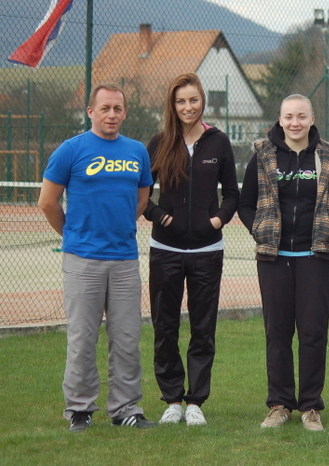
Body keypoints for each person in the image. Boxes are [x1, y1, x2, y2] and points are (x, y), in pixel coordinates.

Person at [37, 83, 156, 432]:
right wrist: (73, 235)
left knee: (127, 340)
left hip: (124, 261)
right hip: (83, 261)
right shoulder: (70, 150)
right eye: (105, 108)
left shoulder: (137, 151)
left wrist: (118, 227)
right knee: (82, 340)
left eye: (118, 109)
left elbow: (142, 199)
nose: (112, 115)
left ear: (125, 112)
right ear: (90, 112)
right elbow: (47, 202)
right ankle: (79, 410)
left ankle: (126, 410)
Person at [238, 94, 329, 431]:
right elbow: (245, 204)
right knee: (277, 333)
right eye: (289, 116)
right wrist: (260, 230)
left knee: (313, 333)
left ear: (312, 119)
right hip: (273, 259)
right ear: (280, 119)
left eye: (301, 116)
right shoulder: (263, 154)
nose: (295, 123)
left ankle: (310, 407)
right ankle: (279, 404)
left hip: (315, 259)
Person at [144, 73, 239, 426]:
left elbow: (232, 194)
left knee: (203, 327)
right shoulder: (158, 143)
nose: (188, 107)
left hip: (207, 251)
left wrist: (216, 221)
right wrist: (160, 216)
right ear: (173, 104)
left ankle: (196, 401)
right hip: (164, 249)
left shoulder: (219, 142)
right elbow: (141, 194)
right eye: (181, 101)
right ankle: (172, 400)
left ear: (203, 102)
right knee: (165, 326)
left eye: (193, 100)